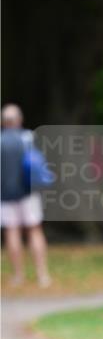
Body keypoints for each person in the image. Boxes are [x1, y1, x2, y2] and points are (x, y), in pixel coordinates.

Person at [1, 103, 51, 288]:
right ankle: (42, 274)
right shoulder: (28, 138)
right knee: (34, 230)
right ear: (19, 120)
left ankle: (18, 276)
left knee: (12, 232)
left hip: (5, 195)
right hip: (28, 192)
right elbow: (38, 164)